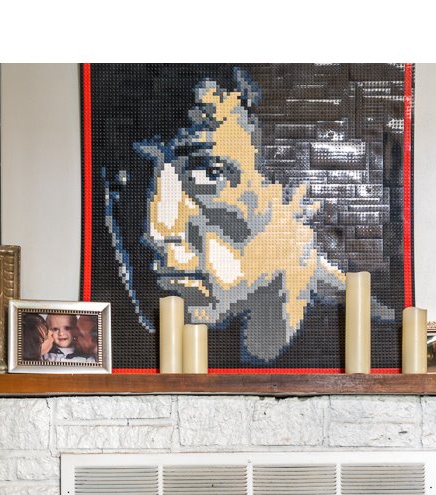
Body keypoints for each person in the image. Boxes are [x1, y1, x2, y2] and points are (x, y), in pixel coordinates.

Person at [131, 76, 346, 363]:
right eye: (129, 180)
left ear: (295, 193)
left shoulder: (364, 340)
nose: (156, 229)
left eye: (208, 173)